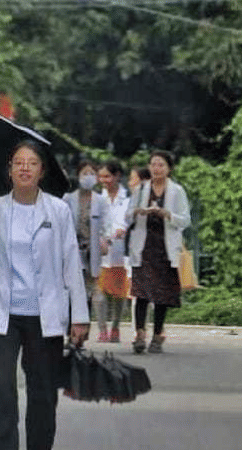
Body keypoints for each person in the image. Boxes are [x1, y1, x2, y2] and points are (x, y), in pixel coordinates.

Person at [0, 140, 89, 450]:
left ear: (42, 170)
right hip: (3, 311)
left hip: (45, 312)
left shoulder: (58, 211)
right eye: (18, 162)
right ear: (9, 170)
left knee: (42, 387)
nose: (24, 168)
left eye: (32, 162)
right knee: (3, 385)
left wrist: (79, 315)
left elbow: (71, 264)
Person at [126, 150, 191, 354]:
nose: (156, 169)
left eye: (161, 165)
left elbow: (185, 220)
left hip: (164, 249)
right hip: (144, 247)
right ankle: (139, 334)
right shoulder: (141, 189)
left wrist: (167, 214)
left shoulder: (177, 191)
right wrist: (138, 212)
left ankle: (157, 334)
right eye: (153, 164)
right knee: (141, 292)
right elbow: (127, 216)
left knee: (161, 294)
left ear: (169, 168)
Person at [63, 160, 110, 340]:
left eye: (91, 173)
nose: (88, 177)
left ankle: (83, 332)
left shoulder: (100, 201)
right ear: (78, 175)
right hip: (73, 250)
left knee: (88, 292)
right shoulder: (68, 199)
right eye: (84, 173)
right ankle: (70, 331)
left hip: (92, 251)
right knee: (72, 290)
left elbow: (107, 225)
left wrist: (105, 240)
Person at [96, 160, 131, 342]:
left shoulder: (128, 198)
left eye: (107, 176)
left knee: (119, 293)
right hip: (101, 249)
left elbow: (128, 220)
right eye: (101, 176)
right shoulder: (98, 199)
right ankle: (102, 329)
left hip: (120, 250)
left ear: (117, 176)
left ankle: (116, 327)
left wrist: (122, 229)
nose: (104, 180)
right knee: (100, 293)